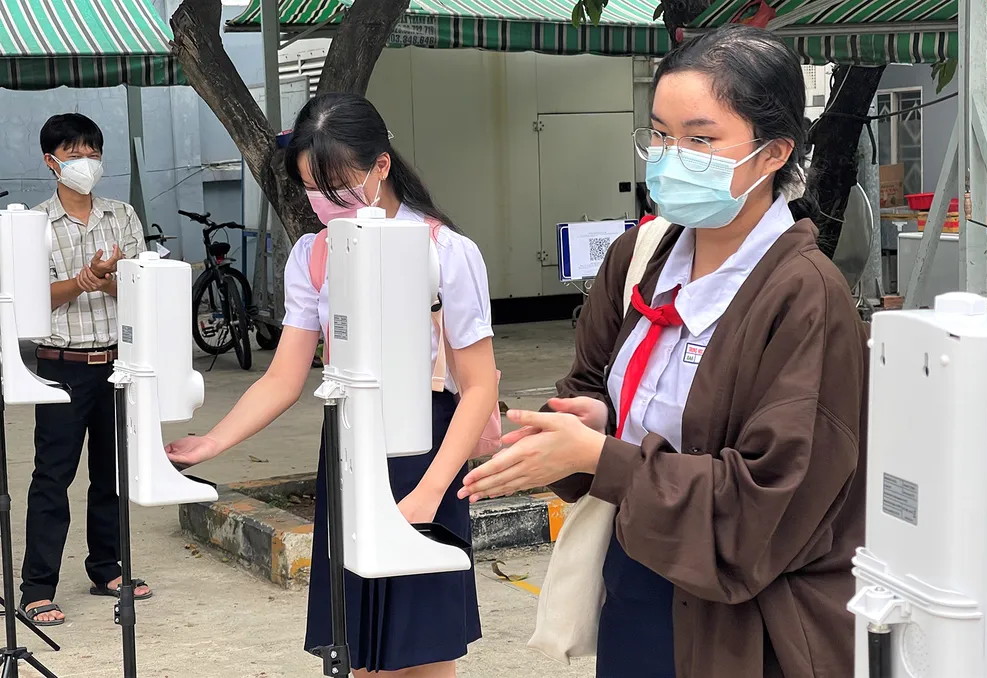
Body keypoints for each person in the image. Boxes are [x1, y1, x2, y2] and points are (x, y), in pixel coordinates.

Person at [461, 25, 867, 678]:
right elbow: (593, 381)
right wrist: (593, 421)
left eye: (700, 140)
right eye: (659, 135)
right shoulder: (646, 257)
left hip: (741, 626)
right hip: (637, 584)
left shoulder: (805, 297)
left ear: (773, 153)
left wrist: (604, 458)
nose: (671, 158)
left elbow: (770, 500)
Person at [165, 93, 497, 677]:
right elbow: (283, 376)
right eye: (312, 190)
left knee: (425, 649)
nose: (324, 203)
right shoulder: (312, 255)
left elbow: (478, 388)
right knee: (355, 643)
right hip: (347, 449)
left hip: (429, 452)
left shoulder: (447, 251)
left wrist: (429, 494)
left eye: (337, 187)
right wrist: (213, 442)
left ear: (381, 166)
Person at [21, 113, 149, 626]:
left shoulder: (122, 215)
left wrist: (110, 278)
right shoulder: (34, 225)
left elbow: (143, 288)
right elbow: (31, 301)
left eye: (92, 154)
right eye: (74, 155)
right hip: (61, 365)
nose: (86, 164)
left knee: (111, 472)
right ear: (51, 162)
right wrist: (83, 280)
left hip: (116, 363)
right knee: (52, 476)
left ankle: (107, 568)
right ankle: (37, 588)